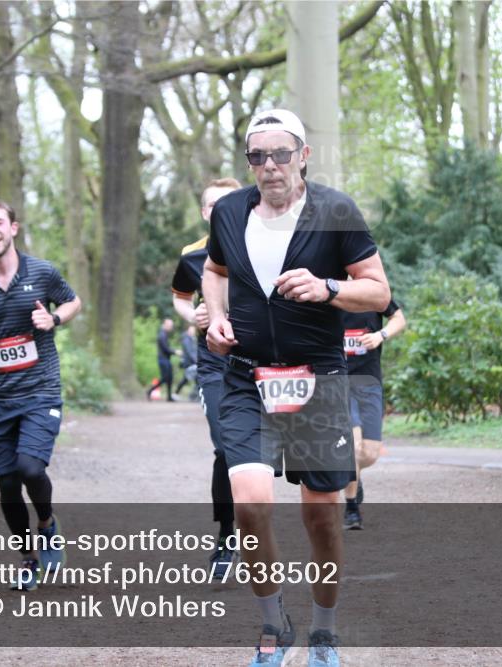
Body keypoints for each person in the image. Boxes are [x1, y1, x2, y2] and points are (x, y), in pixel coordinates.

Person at [202, 110, 391, 667]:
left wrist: (328, 287)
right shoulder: (231, 211)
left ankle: (324, 633)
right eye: (257, 156)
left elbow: (378, 293)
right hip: (246, 377)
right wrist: (217, 318)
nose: (270, 166)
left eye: (280, 154)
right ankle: (273, 626)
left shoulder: (335, 211)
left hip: (317, 379)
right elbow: (214, 270)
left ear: (303, 156)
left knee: (323, 516)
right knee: (249, 504)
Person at [0, 198, 81, 591]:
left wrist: (53, 318)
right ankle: (28, 559)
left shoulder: (41, 272)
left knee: (30, 469)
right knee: (6, 484)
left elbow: (73, 301)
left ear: (13, 228)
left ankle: (47, 523)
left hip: (41, 389)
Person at [171, 177, 243, 580]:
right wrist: (194, 315)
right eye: (213, 205)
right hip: (214, 362)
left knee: (256, 452)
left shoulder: (260, 245)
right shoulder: (191, 255)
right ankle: (227, 535)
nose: (220, 210)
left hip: (260, 359)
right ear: (204, 212)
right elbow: (180, 297)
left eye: (227, 202)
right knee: (225, 446)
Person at [341, 300, 406, 530]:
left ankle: (354, 478)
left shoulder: (373, 291)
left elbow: (399, 318)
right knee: (353, 445)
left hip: (369, 381)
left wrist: (381, 335)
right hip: (337, 380)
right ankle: (351, 509)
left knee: (369, 454)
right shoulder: (325, 289)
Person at [146, 318, 179, 402]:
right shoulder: (162, 335)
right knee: (165, 378)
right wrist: (175, 352)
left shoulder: (164, 334)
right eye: (170, 325)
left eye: (171, 326)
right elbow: (166, 349)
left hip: (166, 359)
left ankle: (169, 397)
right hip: (163, 360)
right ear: (165, 324)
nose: (171, 327)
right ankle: (150, 391)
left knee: (170, 378)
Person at [174, 324, 199, 397]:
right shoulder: (186, 339)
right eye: (191, 330)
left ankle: (196, 395)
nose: (193, 332)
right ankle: (176, 393)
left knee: (196, 378)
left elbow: (194, 350)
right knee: (186, 378)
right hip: (188, 363)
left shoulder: (192, 338)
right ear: (188, 330)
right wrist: (196, 360)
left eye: (193, 330)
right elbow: (189, 351)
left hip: (191, 362)